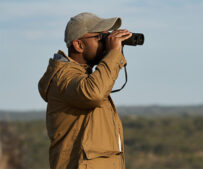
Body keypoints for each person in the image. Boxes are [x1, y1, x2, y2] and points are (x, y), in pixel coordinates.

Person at [38, 12, 132, 169]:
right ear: (78, 45)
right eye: (100, 38)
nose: (106, 42)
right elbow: (93, 94)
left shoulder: (87, 77)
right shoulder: (63, 77)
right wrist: (114, 54)